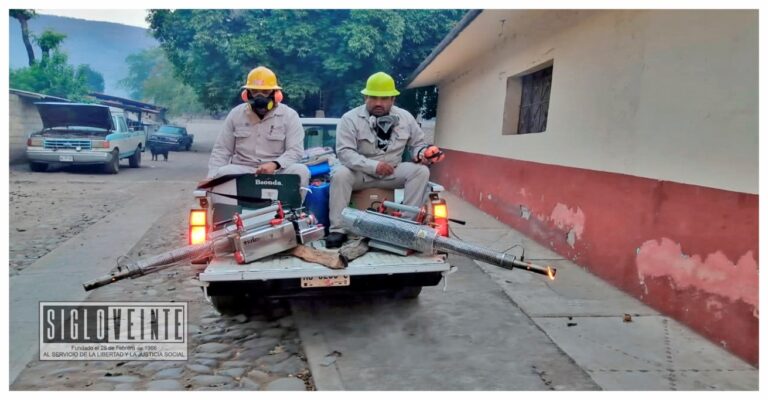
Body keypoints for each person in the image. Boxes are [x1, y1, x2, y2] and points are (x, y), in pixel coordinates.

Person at [326, 72, 446, 248]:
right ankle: (338, 229)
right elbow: (345, 153)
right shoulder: (350, 119)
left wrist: (425, 153)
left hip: (392, 172)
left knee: (421, 171)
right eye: (373, 97)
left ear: (393, 99)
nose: (378, 103)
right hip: (361, 174)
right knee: (340, 174)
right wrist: (375, 166)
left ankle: (405, 226)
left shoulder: (405, 118)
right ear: (365, 97)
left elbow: (418, 144)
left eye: (384, 98)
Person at [207, 66, 309, 192]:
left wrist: (275, 164)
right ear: (247, 94)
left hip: (277, 172)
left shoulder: (289, 115)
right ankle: (226, 211)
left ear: (275, 94)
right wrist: (211, 177)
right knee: (224, 172)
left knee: (301, 170)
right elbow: (222, 150)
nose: (260, 96)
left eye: (265, 92)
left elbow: (295, 151)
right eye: (255, 91)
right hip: (243, 170)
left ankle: (292, 210)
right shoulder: (236, 114)